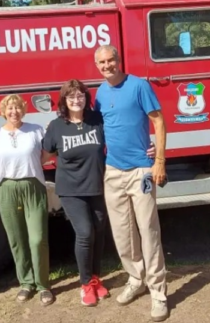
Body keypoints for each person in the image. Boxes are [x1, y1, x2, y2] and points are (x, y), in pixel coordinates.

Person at [93, 44, 170, 322]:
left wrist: (158, 161)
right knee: (123, 234)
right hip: (112, 171)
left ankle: (158, 292)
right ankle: (136, 279)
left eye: (110, 60)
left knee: (148, 231)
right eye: (101, 62)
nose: (107, 66)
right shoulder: (100, 93)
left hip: (141, 170)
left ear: (119, 60)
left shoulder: (139, 86)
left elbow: (159, 122)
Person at [41, 79, 109, 306]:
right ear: (64, 101)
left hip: (97, 185)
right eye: (71, 97)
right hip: (71, 190)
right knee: (86, 232)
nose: (76, 100)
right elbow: (44, 154)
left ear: (86, 98)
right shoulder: (56, 126)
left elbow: (118, 139)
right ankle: (85, 284)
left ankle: (96, 279)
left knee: (99, 231)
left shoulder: (96, 120)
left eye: (80, 96)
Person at [0, 94, 55, 306]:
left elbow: (46, 155)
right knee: (17, 239)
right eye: (9, 108)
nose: (14, 112)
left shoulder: (36, 130)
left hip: (33, 185)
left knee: (37, 238)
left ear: (23, 110)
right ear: (3, 111)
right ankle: (26, 282)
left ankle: (43, 285)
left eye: (17, 108)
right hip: (7, 187)